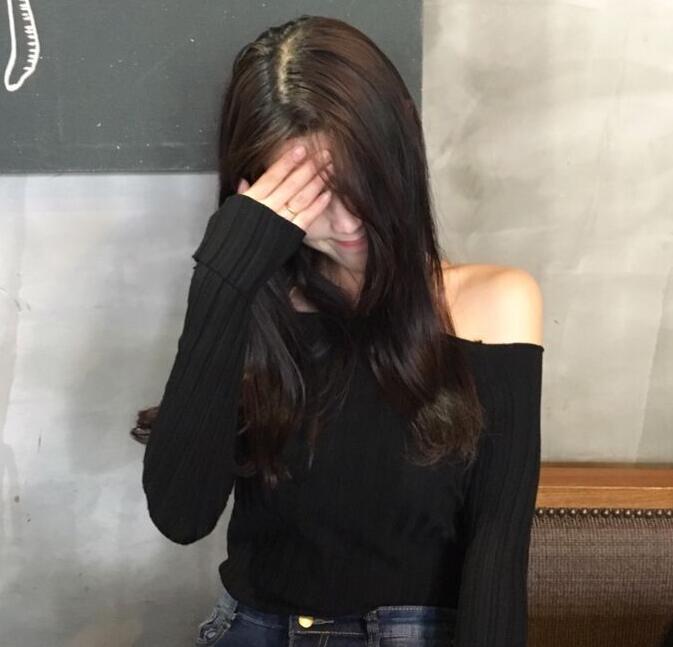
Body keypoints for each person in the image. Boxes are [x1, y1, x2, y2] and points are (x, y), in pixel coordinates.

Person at [138, 14, 544, 647]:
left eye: (362, 179)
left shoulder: (495, 303)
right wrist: (221, 282)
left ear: (399, 148)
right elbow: (182, 517)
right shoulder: (255, 308)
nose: (348, 218)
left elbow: (496, 553)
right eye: (311, 195)